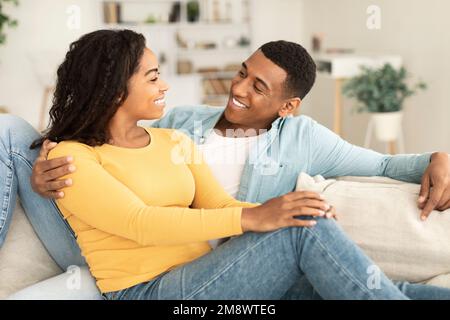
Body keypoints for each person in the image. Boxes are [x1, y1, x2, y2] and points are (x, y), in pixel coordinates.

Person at [1, 30, 449, 299]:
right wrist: (262, 216)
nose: (238, 88)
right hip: (151, 289)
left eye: (259, 86)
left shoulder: (171, 138)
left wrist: (438, 158)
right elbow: (138, 222)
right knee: (300, 229)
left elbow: (216, 203)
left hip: (214, 272)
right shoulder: (74, 155)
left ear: (287, 106)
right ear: (117, 88)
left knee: (349, 273)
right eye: (153, 76)